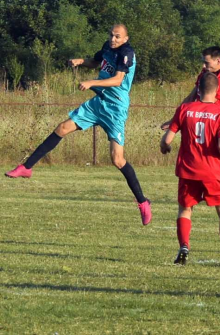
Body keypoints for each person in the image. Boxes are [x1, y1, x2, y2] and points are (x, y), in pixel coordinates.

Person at [6, 24, 152, 225]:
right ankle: (26, 167)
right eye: (111, 35)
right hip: (98, 102)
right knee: (62, 128)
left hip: (115, 108)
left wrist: (91, 82)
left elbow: (118, 80)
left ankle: (143, 202)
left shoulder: (127, 53)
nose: (113, 39)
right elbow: (97, 62)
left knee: (117, 160)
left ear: (126, 38)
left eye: (118, 36)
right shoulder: (107, 47)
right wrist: (81, 61)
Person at [161, 46, 220, 225]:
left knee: (212, 167)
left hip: (213, 124)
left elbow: (208, 104)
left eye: (207, 62)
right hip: (198, 121)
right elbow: (193, 95)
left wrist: (188, 117)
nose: (203, 65)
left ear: (218, 61)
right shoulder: (205, 75)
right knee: (206, 167)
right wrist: (174, 119)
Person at [160, 72, 220, 267]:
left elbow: (167, 140)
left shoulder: (185, 109)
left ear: (198, 89)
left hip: (188, 170)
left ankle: (184, 246)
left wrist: (165, 148)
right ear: (217, 92)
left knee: (185, 209)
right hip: (213, 171)